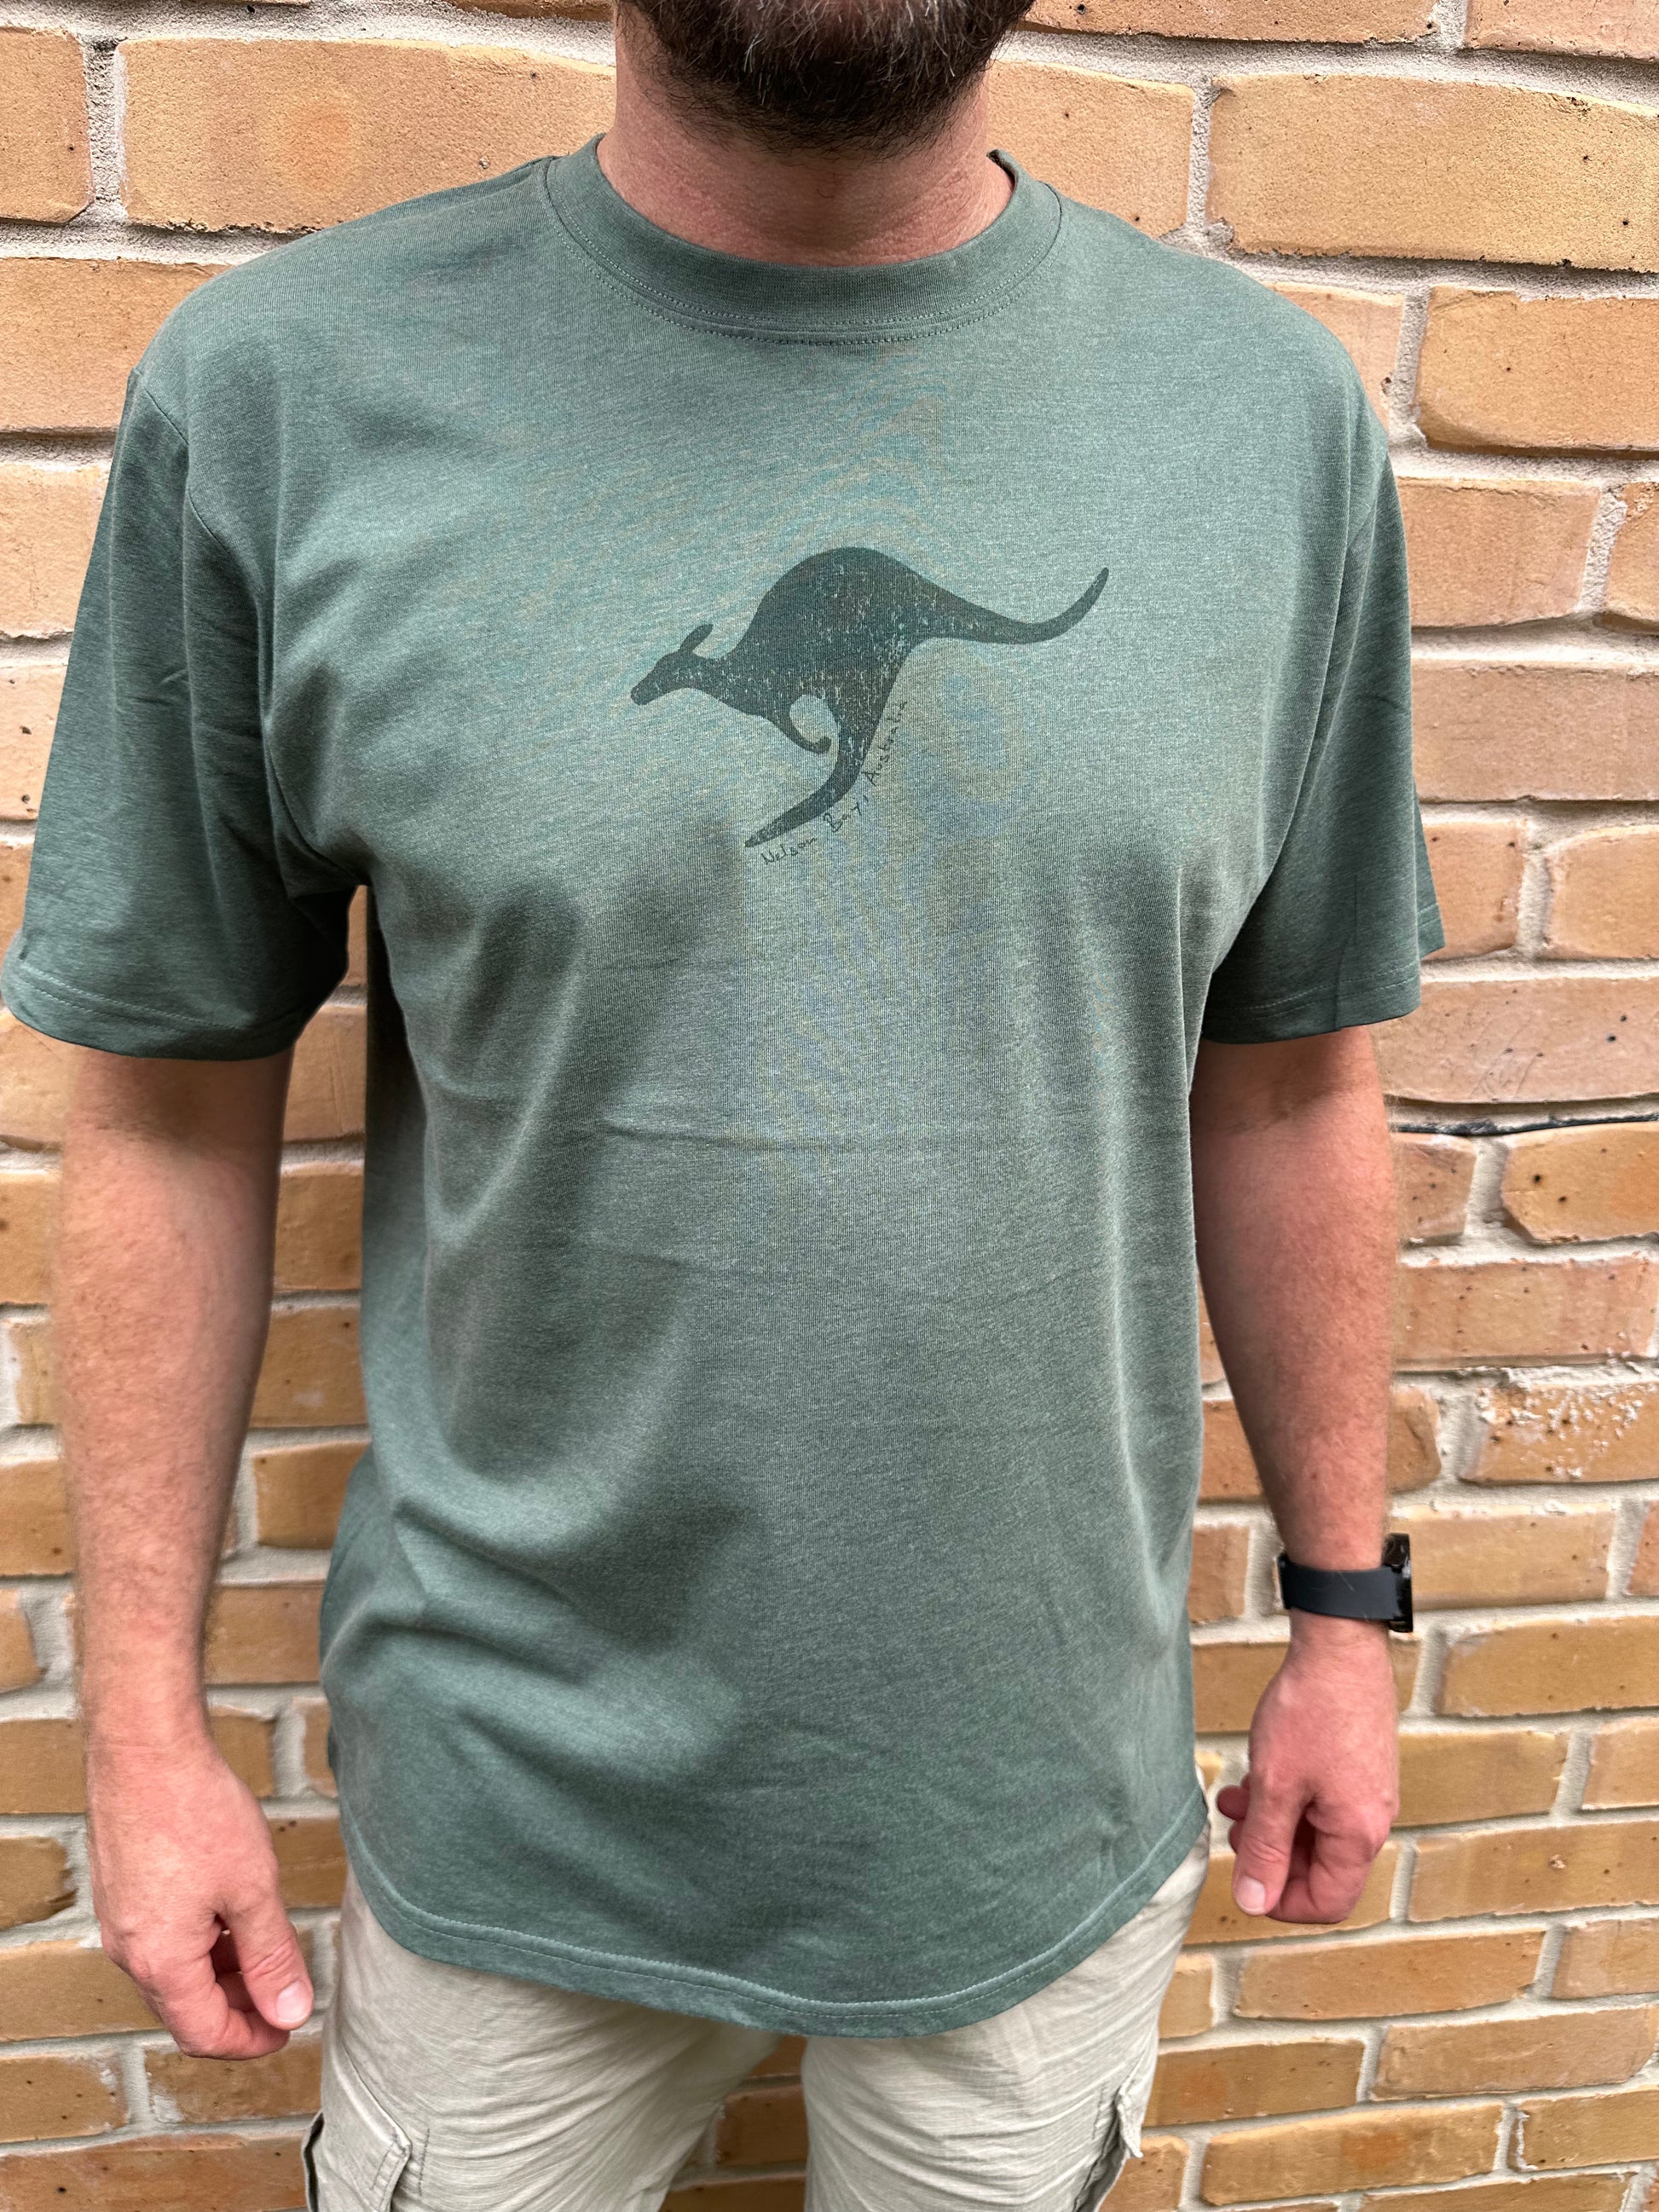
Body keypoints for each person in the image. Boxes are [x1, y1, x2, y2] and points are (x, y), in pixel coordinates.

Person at [5, 0, 1442, 2200]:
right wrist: (140, 1726)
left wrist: (1347, 1614)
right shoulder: (285, 397)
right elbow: (164, 1110)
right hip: (514, 1809)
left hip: (1027, 1795)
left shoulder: (1262, 424)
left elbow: (1292, 1081)